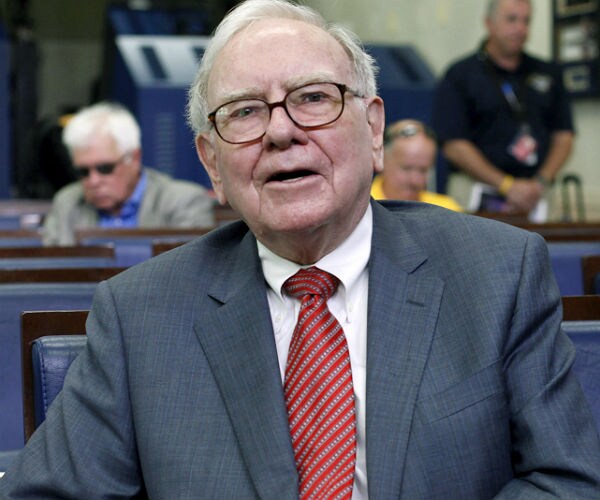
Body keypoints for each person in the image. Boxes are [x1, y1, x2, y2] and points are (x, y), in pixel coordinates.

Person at [2, 0, 599, 498]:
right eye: (245, 111)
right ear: (212, 164)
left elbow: (568, 481)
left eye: (313, 98)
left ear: (373, 130)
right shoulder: (139, 316)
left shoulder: (498, 274)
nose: (281, 131)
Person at [432, 0, 574, 219]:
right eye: (511, 19)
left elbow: (564, 135)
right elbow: (454, 145)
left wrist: (541, 181)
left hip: (536, 194)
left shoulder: (548, 73)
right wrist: (507, 185)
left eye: (526, 21)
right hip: (476, 190)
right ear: (489, 23)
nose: (520, 28)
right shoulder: (460, 75)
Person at [41, 101, 215, 245]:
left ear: (134, 158)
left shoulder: (182, 202)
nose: (93, 181)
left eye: (105, 168)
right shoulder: (67, 204)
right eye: (83, 171)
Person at [371, 119, 462, 211]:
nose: (415, 180)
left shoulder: (446, 209)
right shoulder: (365, 207)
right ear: (382, 159)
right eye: (407, 168)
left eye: (423, 170)